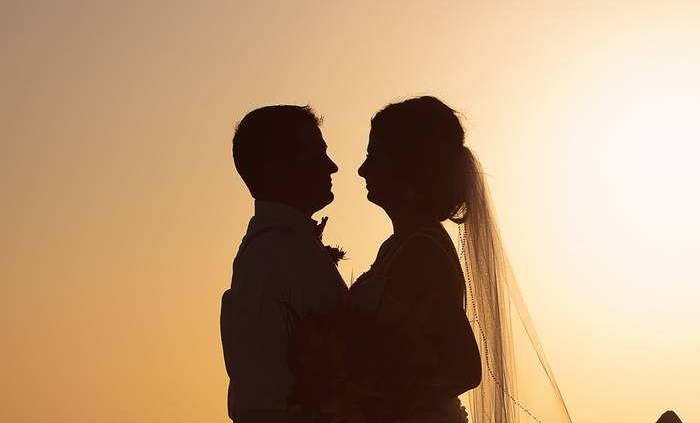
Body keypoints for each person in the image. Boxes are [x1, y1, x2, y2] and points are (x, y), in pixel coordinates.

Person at [353, 96, 572, 423]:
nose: (362, 169)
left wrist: (376, 395)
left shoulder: (422, 251)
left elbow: (465, 369)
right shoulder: (396, 247)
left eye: (373, 156)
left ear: (407, 164)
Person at [220, 104, 346, 423]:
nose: (332, 167)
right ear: (281, 167)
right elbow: (261, 399)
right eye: (317, 155)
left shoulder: (284, 248)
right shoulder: (272, 255)